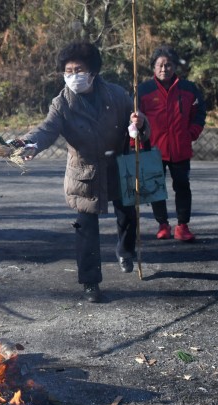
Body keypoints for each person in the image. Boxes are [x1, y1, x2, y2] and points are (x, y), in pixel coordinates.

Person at [19, 42, 149, 302]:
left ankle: (125, 250)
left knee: (127, 214)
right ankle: (90, 282)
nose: (73, 75)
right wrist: (29, 143)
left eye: (78, 69)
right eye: (68, 71)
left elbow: (137, 123)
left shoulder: (117, 94)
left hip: (118, 165)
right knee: (86, 228)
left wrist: (140, 123)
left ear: (93, 71)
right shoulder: (61, 103)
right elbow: (47, 129)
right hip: (85, 172)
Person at [138, 45, 206, 242]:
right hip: (152, 147)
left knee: (182, 186)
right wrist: (138, 137)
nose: (164, 69)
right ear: (153, 67)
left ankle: (183, 226)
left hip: (180, 148)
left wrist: (192, 132)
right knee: (156, 188)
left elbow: (199, 113)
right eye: (159, 65)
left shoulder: (189, 89)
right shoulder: (143, 90)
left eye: (168, 65)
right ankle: (162, 224)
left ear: (175, 67)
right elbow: (135, 117)